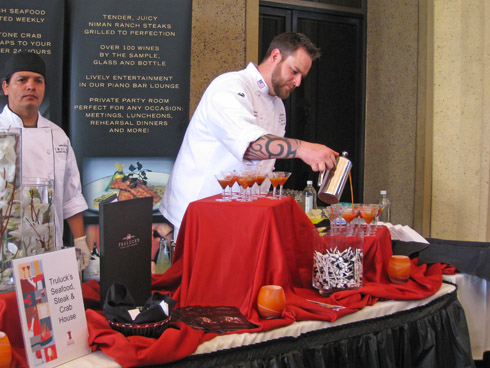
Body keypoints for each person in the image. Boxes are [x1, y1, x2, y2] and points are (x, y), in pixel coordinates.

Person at [160, 32, 338, 239]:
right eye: (294, 71)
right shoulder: (229, 86)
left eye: (302, 77)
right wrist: (303, 148)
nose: (298, 82)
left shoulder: (279, 106)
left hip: (240, 214)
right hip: (199, 209)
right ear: (275, 56)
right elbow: (250, 146)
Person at [0, 51, 91, 269]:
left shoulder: (58, 135)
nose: (30, 86)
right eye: (22, 80)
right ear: (5, 87)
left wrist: (80, 241)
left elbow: (71, 195)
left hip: (51, 248)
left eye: (38, 81)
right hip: (6, 252)